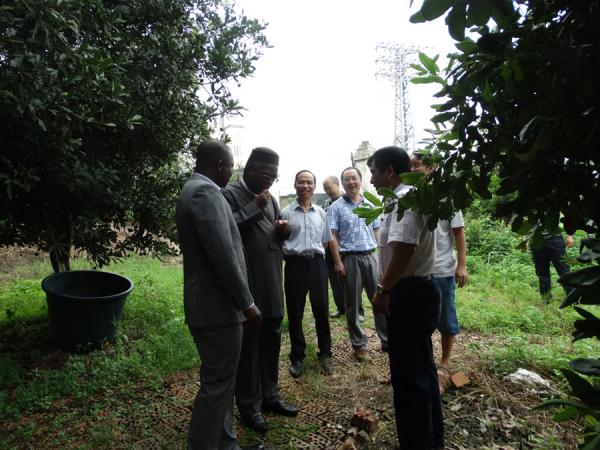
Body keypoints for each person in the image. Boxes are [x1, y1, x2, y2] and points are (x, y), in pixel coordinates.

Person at [175, 139, 263, 450]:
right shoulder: (204, 192)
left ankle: (226, 445)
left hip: (215, 305)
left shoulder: (197, 191)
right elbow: (222, 254)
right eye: (229, 167)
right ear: (219, 166)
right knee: (216, 386)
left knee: (222, 384)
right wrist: (247, 303)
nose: (231, 174)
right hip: (216, 307)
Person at [369, 146, 443, 450]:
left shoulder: (404, 200)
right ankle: (430, 438)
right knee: (422, 369)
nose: (370, 179)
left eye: (373, 171)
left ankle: (418, 442)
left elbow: (404, 250)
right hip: (418, 289)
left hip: (409, 292)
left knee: (409, 377)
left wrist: (383, 290)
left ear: (389, 171)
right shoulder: (412, 196)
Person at [221, 147, 299, 434]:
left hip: (272, 283)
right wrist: (255, 206)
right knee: (250, 346)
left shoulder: (271, 199)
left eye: (274, 177)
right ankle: (249, 405)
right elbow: (226, 232)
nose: (270, 181)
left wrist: (283, 231)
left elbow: (273, 236)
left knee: (272, 339)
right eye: (266, 174)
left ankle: (270, 395)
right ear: (249, 168)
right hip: (248, 284)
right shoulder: (228, 195)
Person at [411, 153, 468, 393]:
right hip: (418, 271)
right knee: (420, 320)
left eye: (417, 165)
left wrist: (461, 265)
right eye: (410, 165)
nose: (413, 169)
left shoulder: (447, 198)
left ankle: (444, 363)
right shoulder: (409, 198)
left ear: (431, 168)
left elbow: (458, 232)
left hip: (443, 268)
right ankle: (423, 361)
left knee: (446, 318)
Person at [327, 167, 387, 362]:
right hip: (349, 258)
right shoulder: (336, 207)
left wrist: (381, 257)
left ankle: (387, 340)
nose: (351, 182)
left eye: (354, 178)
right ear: (342, 184)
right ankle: (359, 345)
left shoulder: (371, 204)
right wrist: (337, 262)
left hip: (371, 256)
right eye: (347, 179)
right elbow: (333, 237)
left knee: (379, 299)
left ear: (361, 180)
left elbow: (377, 231)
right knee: (352, 304)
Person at [281, 170, 336, 378]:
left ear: (314, 187)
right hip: (294, 265)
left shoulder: (321, 213)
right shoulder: (286, 213)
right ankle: (297, 356)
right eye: (301, 182)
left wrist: (314, 256)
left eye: (309, 182)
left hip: (317, 264)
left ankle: (325, 353)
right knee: (295, 312)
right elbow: (281, 240)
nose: (305, 186)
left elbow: (325, 241)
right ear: (295, 185)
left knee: (321, 309)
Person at [322, 175, 347, 319]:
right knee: (333, 278)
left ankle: (357, 309)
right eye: (325, 189)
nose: (327, 191)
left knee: (348, 279)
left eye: (328, 187)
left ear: (337, 184)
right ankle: (340, 307)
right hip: (329, 247)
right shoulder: (326, 203)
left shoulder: (347, 200)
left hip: (343, 246)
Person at [530, 231, 574, 301]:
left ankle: (573, 299)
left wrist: (570, 235)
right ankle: (546, 300)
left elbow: (569, 220)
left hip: (555, 238)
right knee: (542, 272)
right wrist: (524, 239)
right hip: (536, 240)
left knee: (564, 271)